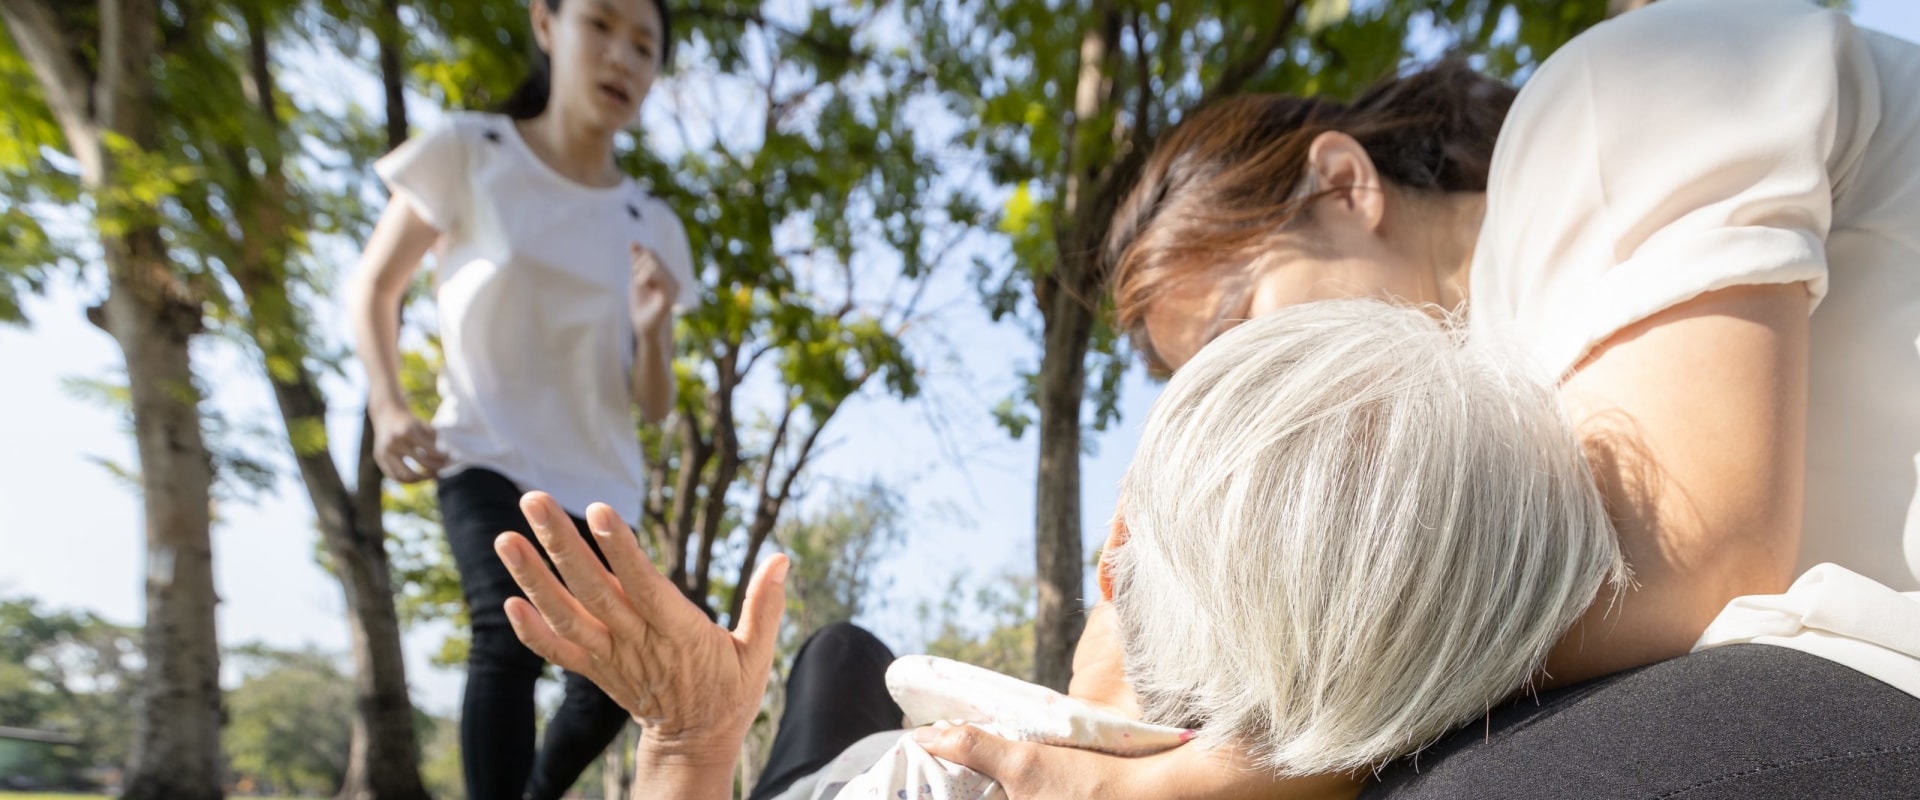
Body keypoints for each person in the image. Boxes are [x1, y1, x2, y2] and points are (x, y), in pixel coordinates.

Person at [912, 0, 1920, 795]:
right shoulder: (1505, 390)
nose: (1245, 382)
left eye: (1233, 325)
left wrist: (1255, 762)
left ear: (1346, 184)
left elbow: (1700, 552)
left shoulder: (1610, 101)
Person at [488, 300, 1640, 800]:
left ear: (1118, 548)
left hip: (859, 761)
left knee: (839, 653)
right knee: (841, 656)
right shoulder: (1379, 746)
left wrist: (690, 747)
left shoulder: (945, 773)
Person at [345, 0, 694, 795]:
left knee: (619, 676)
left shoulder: (652, 222)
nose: (622, 58)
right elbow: (375, 285)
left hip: (603, 483)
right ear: (547, 24)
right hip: (486, 452)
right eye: (600, 26)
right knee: (506, 635)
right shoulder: (471, 151)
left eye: (644, 45)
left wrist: (656, 324)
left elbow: (655, 403)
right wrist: (389, 402)